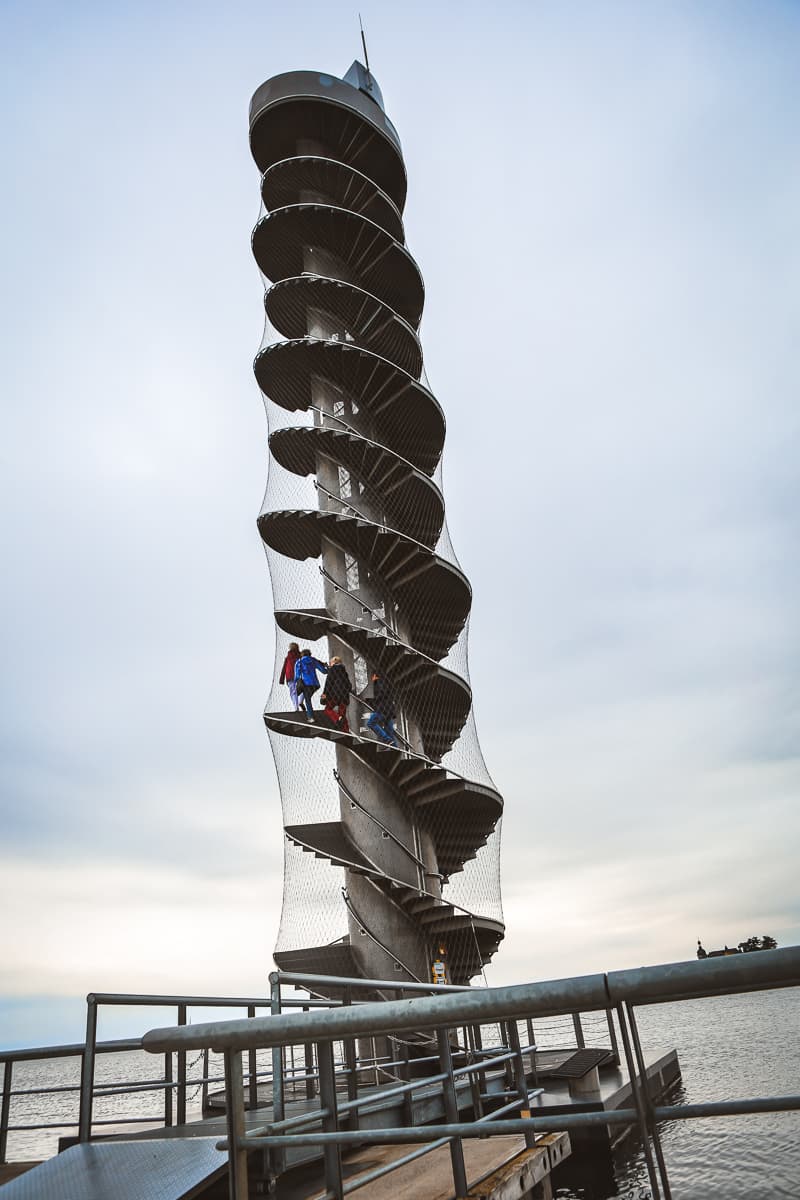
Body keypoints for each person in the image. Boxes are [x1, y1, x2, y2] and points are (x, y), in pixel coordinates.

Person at [294, 648, 328, 721]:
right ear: (310, 654)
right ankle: (310, 715)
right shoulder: (313, 660)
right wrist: (329, 669)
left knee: (306, 699)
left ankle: (311, 717)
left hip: (305, 684)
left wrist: (295, 682)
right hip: (315, 684)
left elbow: (297, 676)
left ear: (302, 654)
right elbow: (324, 671)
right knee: (307, 698)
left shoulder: (299, 662)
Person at [320, 656, 352, 731]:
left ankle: (337, 719)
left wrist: (325, 694)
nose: (329, 664)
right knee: (342, 714)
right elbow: (349, 685)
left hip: (334, 695)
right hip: (344, 697)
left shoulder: (332, 670)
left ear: (334, 662)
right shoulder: (344, 672)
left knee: (327, 710)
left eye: (330, 662)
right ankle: (346, 731)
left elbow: (328, 683)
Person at [367, 671, 398, 746]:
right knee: (389, 729)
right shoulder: (385, 682)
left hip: (383, 709)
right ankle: (394, 747)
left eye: (373, 676)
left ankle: (387, 739)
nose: (372, 678)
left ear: (376, 676)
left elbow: (382, 695)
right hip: (388, 710)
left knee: (371, 723)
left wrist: (370, 700)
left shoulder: (379, 682)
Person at [279, 642, 301, 710]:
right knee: (302, 690)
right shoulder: (300, 656)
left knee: (293, 692)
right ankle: (300, 702)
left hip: (290, 676)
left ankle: (296, 706)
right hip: (299, 676)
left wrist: (281, 679)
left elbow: (284, 668)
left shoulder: (288, 657)